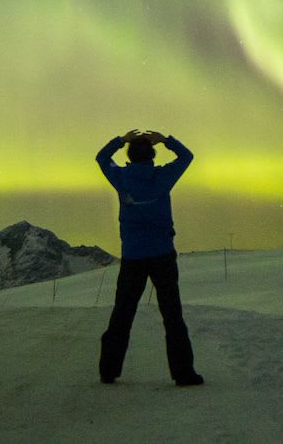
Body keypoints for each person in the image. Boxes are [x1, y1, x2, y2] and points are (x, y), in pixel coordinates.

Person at [95, 129, 204, 387]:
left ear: (129, 156)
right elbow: (187, 157)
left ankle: (109, 371)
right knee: (172, 315)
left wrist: (120, 140)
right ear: (153, 155)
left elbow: (101, 158)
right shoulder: (162, 177)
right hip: (162, 255)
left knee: (123, 313)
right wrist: (166, 140)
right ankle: (183, 373)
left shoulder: (121, 177)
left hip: (133, 257)